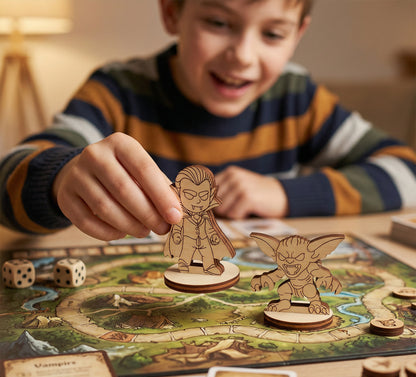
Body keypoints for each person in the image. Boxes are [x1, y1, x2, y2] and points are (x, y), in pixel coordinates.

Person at [1, 0, 415, 242]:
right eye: (218, 23)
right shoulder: (117, 90)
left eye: (273, 34)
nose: (243, 56)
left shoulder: (297, 98)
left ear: (298, 34)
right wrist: (60, 178)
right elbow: (10, 176)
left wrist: (285, 194)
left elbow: (407, 171)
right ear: (172, 12)